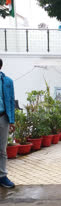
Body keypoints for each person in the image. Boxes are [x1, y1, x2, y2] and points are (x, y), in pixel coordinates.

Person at [0, 59, 16, 188]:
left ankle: (2, 176)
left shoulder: (8, 82)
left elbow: (11, 101)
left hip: (3, 118)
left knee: (2, 149)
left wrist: (12, 120)